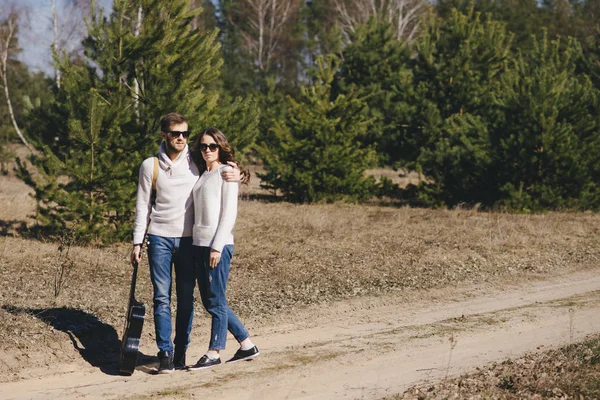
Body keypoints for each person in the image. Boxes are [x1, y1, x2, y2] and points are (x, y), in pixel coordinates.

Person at [131, 113, 241, 374]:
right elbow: (142, 206)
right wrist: (137, 241)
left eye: (185, 133)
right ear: (164, 135)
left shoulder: (196, 161)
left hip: (190, 241)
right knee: (161, 297)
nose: (181, 138)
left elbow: (223, 170)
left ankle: (181, 352)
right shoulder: (150, 166)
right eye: (175, 133)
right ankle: (165, 354)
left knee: (186, 300)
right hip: (158, 238)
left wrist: (239, 174)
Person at [187, 127, 259, 370]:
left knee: (216, 300)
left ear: (221, 147)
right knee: (211, 301)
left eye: (212, 146)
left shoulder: (227, 173)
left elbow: (229, 214)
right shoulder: (202, 172)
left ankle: (214, 351)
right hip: (198, 244)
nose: (207, 150)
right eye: (203, 146)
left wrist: (216, 247)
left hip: (216, 246)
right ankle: (247, 345)